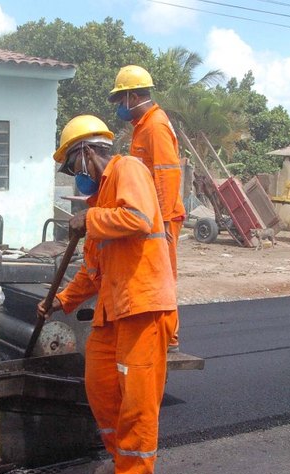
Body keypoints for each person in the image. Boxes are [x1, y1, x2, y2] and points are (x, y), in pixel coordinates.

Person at [37, 115, 176, 474]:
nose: (74, 176)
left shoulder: (127, 169)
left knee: (137, 400)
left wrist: (90, 219)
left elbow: (138, 218)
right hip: (113, 309)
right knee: (101, 388)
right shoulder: (99, 200)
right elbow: (92, 270)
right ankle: (120, 460)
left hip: (143, 305)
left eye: (72, 166)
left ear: (86, 153)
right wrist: (61, 300)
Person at [109, 65, 186, 353]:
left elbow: (167, 173)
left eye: (121, 99)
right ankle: (156, 331)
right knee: (152, 274)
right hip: (151, 214)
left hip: (162, 217)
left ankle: (170, 337)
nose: (120, 105)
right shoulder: (142, 126)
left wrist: (163, 221)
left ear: (133, 96)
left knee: (163, 275)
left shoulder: (155, 126)